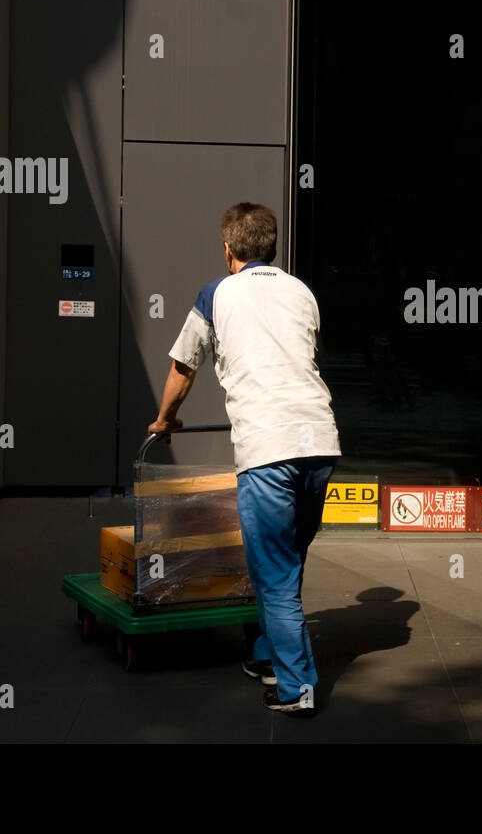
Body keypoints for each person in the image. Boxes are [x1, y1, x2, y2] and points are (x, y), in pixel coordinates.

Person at [148, 203, 341, 715]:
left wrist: (165, 419)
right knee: (284, 562)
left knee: (273, 571)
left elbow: (182, 367)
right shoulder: (301, 291)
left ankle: (296, 686)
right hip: (320, 442)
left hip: (268, 449)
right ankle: (264, 653)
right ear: (272, 248)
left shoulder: (216, 293)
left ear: (228, 249)